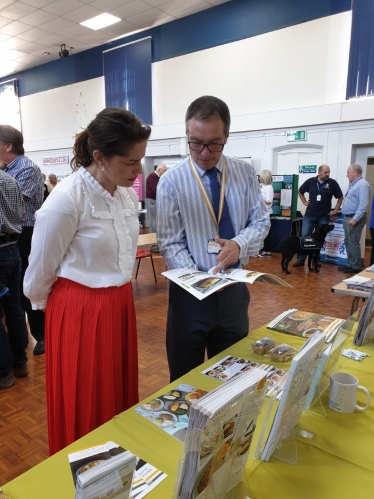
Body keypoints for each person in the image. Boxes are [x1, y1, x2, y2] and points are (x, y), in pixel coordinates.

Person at [23, 107, 151, 455]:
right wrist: (58, 312)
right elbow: (38, 273)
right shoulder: (66, 199)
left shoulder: (125, 195)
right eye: (130, 162)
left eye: (141, 160)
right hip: (79, 308)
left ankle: (118, 468)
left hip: (118, 304)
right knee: (85, 397)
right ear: (100, 157)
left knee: (115, 394)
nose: (138, 171)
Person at [157, 95, 270, 382]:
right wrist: (202, 280)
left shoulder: (243, 173)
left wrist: (239, 244)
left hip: (234, 293)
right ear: (187, 134)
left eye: (214, 143)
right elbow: (170, 242)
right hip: (190, 296)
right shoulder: (171, 181)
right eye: (195, 142)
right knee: (185, 380)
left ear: (227, 136)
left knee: (231, 377)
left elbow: (260, 221)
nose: (204, 152)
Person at [0, 125, 45, 355]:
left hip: (26, 233)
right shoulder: (8, 169)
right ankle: (18, 341)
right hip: (13, 234)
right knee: (13, 290)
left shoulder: (27, 168)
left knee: (27, 285)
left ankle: (42, 334)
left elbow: (12, 198)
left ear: (8, 146)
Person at [0, 170, 29, 389]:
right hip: (13, 250)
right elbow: (21, 214)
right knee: (15, 310)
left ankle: (4, 373)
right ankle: (20, 363)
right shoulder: (10, 180)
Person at [294, 164, 343, 267]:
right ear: (319, 172)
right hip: (310, 215)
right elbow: (300, 191)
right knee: (305, 237)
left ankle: (316, 260)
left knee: (319, 239)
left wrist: (336, 210)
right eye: (326, 172)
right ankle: (301, 259)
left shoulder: (332, 183)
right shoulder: (310, 181)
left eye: (329, 172)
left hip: (324, 216)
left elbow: (340, 197)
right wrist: (304, 202)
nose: (328, 174)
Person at [339, 164, 370, 273]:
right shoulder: (353, 184)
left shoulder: (362, 185)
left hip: (354, 218)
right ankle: (350, 264)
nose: (347, 175)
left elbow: (363, 204)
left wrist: (355, 219)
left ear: (355, 172)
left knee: (353, 242)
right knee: (348, 241)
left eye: (348, 172)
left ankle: (356, 266)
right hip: (348, 217)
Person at [145, 164, 167, 251]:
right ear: (159, 170)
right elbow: (156, 190)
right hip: (152, 201)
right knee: (154, 223)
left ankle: (157, 244)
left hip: (155, 201)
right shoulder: (153, 177)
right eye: (164, 171)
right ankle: (154, 245)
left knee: (157, 223)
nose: (165, 172)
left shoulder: (157, 177)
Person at [258, 169, 274, 257]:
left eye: (261, 176)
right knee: (260, 232)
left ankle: (267, 251)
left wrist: (259, 200)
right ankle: (262, 250)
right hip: (260, 212)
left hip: (266, 213)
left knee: (266, 232)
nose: (260, 178)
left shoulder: (269, 188)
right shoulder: (261, 186)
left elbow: (268, 201)